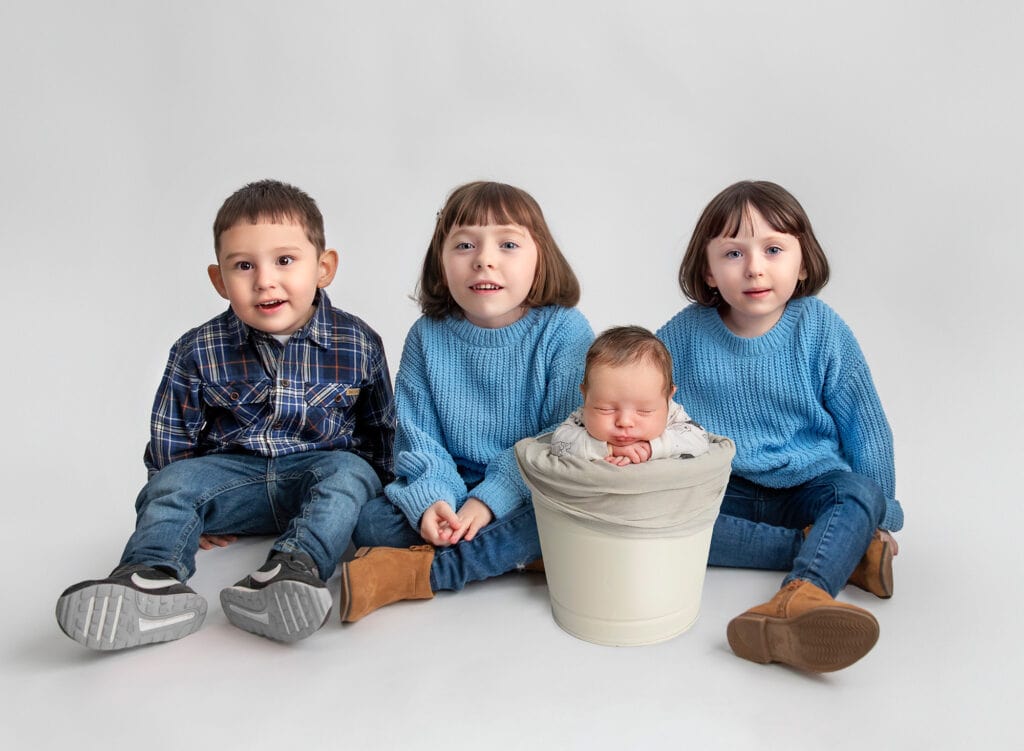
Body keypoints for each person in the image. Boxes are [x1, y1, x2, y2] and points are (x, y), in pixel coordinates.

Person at [55, 179, 394, 649]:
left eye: (285, 260)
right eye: (243, 266)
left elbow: (379, 430)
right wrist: (190, 511)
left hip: (313, 477)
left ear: (323, 268)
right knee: (173, 484)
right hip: (233, 483)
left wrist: (376, 499)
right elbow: (172, 439)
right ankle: (149, 578)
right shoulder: (198, 349)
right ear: (219, 280)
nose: (264, 280)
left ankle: (291, 570)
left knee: (351, 474)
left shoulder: (357, 342)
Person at [656, 180, 903, 672]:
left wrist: (882, 515)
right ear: (707, 270)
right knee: (665, 524)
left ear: (803, 262)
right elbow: (640, 390)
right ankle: (846, 549)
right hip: (725, 488)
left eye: (773, 250)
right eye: (733, 253)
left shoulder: (820, 327)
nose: (754, 267)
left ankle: (800, 598)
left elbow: (866, 425)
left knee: (857, 493)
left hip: (811, 485)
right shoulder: (682, 335)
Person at [338, 181, 593, 622]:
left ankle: (424, 572)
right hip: (454, 486)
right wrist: (433, 502)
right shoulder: (427, 336)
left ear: (541, 259)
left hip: (532, 487)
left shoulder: (564, 330)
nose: (484, 259)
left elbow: (562, 437)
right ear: (440, 263)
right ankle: (513, 555)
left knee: (572, 517)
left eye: (508, 244)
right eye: (464, 245)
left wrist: (491, 500)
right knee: (371, 524)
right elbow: (417, 437)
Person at [550, 325, 709, 465]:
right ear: (586, 397)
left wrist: (652, 448)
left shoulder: (672, 414)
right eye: (605, 409)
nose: (624, 422)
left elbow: (700, 439)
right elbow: (559, 442)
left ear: (667, 399)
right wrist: (608, 449)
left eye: (644, 411)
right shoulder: (583, 417)